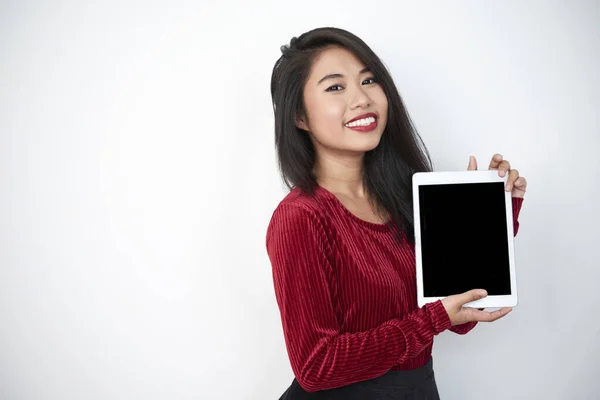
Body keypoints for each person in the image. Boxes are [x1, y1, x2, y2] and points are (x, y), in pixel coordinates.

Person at [266, 27, 527, 400]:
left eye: (369, 80)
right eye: (335, 87)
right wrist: (431, 321)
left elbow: (459, 316)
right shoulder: (302, 217)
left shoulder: (405, 198)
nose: (361, 99)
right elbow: (316, 367)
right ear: (299, 117)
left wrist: (486, 217)